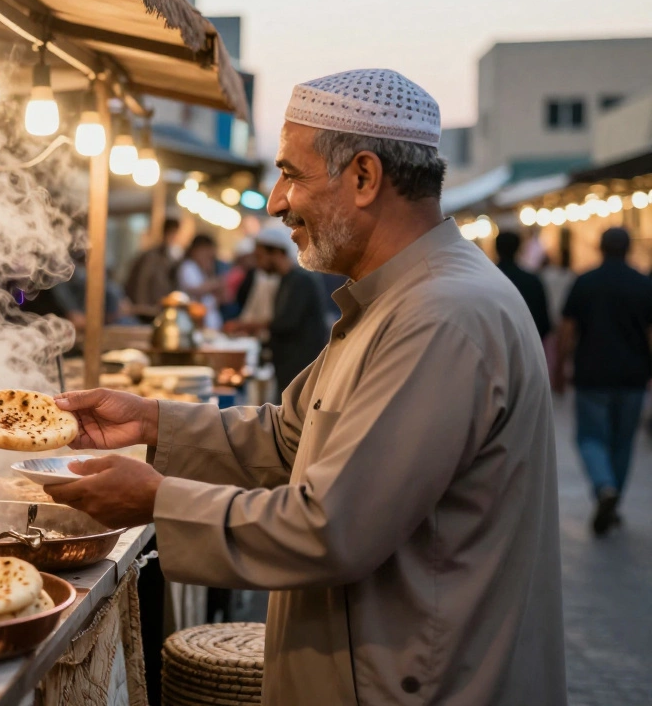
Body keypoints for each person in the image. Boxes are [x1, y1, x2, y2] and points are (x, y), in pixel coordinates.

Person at [43, 70, 564, 705]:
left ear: (365, 177)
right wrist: (151, 421)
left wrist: (158, 502)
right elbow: (290, 438)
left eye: (292, 174)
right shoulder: (396, 299)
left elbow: (332, 527)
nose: (275, 202)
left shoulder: (441, 314)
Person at [554, 227, 652, 535]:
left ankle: (604, 486)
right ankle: (614, 499)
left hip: (592, 373)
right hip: (634, 375)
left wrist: (559, 365)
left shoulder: (585, 282)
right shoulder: (643, 283)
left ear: (600, 247)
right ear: (628, 249)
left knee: (591, 437)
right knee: (623, 442)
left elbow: (568, 329)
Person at [225, 226, 328, 397]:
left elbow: (286, 322)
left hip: (299, 365)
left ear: (276, 253)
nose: (257, 264)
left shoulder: (301, 280)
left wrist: (247, 326)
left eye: (260, 257)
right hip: (287, 364)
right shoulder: (286, 279)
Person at [495, 229, 552, 339]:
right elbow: (544, 323)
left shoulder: (488, 280)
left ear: (496, 249)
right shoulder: (532, 281)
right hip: (527, 343)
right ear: (519, 249)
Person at [125, 219, 184, 321]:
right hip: (147, 310)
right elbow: (141, 282)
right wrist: (141, 306)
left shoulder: (171, 256)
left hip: (158, 309)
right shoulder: (151, 256)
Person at [177, 234, 225, 330]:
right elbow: (195, 290)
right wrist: (215, 283)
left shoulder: (205, 269)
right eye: (205, 252)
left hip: (212, 323)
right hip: (195, 321)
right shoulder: (188, 267)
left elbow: (223, 297)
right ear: (196, 250)